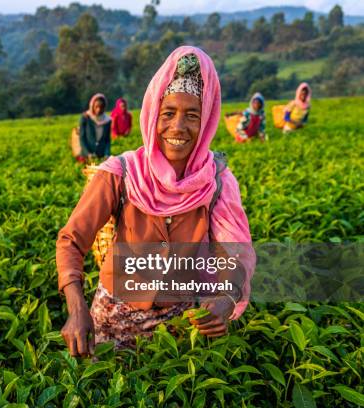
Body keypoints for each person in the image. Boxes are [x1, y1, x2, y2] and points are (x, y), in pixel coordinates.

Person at [56, 47, 255, 355]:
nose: (178, 127)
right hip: (112, 318)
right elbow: (71, 240)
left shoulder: (217, 181)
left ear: (207, 122)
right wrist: (77, 308)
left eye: (193, 115)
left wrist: (226, 300)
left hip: (180, 324)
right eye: (168, 113)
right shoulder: (120, 172)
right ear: (152, 115)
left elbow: (235, 255)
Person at [77, 94, 111, 163]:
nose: (99, 109)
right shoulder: (85, 118)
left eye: (101, 107)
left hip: (101, 156)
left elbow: (107, 140)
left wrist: (107, 154)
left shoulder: (107, 120)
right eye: (96, 107)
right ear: (92, 106)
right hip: (86, 156)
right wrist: (88, 153)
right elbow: (82, 138)